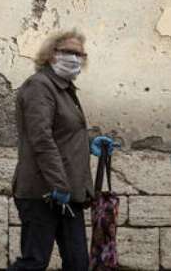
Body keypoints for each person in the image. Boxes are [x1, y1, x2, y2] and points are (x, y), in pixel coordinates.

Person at [8, 29, 117, 271]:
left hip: (69, 195)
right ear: (51, 55)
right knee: (34, 262)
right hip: (43, 192)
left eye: (80, 54)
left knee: (77, 263)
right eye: (69, 52)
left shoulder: (64, 89)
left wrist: (90, 143)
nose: (75, 58)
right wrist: (58, 184)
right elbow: (42, 139)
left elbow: (63, 132)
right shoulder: (40, 86)